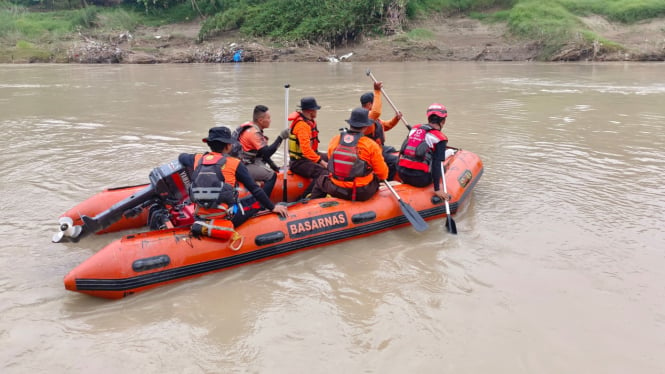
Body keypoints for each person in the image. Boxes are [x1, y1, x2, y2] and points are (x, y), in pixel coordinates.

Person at [179, 126, 288, 238]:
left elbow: (182, 157)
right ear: (227, 146)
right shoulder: (234, 163)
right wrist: (272, 207)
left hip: (200, 214)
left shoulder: (198, 158)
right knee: (256, 201)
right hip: (227, 216)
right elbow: (255, 189)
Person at [310, 108, 389, 201]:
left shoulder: (335, 140)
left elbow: (331, 160)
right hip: (360, 192)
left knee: (320, 182)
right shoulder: (371, 145)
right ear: (365, 127)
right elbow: (383, 174)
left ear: (350, 124)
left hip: (335, 188)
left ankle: (313, 204)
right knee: (375, 177)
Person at [396, 103, 451, 202]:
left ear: (428, 118)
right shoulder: (440, 138)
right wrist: (437, 189)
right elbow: (437, 164)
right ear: (443, 121)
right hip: (420, 179)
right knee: (443, 167)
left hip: (401, 173)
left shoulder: (414, 129)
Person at [233, 105, 290, 198]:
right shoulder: (253, 133)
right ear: (260, 120)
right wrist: (280, 137)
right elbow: (267, 152)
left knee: (269, 169)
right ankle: (261, 203)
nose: (270, 120)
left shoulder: (250, 126)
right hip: (241, 166)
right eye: (268, 118)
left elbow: (262, 154)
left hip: (241, 162)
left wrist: (272, 165)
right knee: (271, 176)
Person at [360, 81, 403, 180]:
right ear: (370, 104)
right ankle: (386, 179)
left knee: (391, 149)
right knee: (396, 160)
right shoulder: (366, 117)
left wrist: (396, 118)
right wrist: (377, 91)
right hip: (371, 152)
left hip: (378, 147)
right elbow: (376, 112)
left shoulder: (373, 118)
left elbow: (386, 126)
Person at [287, 96, 329, 197]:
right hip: (299, 162)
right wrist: (322, 162)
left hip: (309, 157)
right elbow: (306, 150)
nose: (316, 112)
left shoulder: (309, 122)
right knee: (323, 172)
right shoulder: (302, 126)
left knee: (331, 157)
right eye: (316, 110)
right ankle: (308, 197)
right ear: (311, 111)